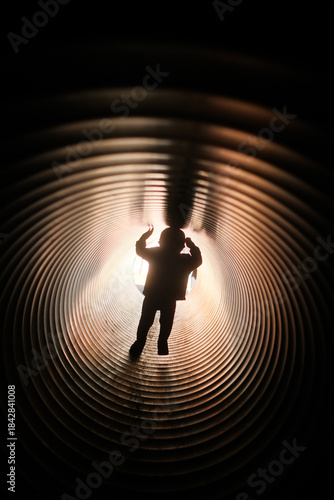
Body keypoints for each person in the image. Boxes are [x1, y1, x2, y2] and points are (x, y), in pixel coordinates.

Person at [130, 226, 202, 357]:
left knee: (145, 320)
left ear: (160, 242)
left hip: (152, 294)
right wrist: (191, 245)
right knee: (167, 322)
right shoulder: (184, 260)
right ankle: (162, 342)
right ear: (182, 246)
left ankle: (139, 343)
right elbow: (198, 260)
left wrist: (145, 237)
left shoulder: (156, 253)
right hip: (170, 297)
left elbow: (140, 250)